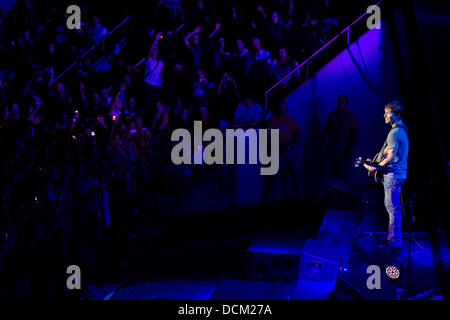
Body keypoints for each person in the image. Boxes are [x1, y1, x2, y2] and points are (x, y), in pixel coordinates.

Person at [363, 101, 409, 256]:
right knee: (392, 208)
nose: (384, 115)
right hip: (399, 174)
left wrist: (375, 167)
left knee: (392, 209)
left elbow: (389, 158)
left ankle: (395, 243)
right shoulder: (403, 130)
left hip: (394, 176)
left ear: (395, 114)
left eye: (387, 112)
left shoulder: (394, 133)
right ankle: (391, 239)